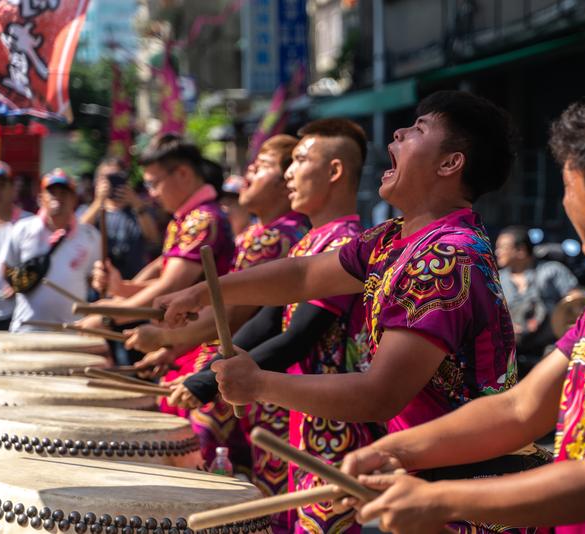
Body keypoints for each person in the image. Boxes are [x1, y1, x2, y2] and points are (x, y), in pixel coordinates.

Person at [325, 99, 585, 534]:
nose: (566, 206)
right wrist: (397, 451)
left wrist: (438, 499)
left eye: (569, 189)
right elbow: (521, 407)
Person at [157, 91, 531, 533]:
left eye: (419, 130)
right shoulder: (394, 238)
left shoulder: (444, 256)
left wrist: (258, 383)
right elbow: (302, 277)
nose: (398, 132)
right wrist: (204, 291)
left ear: (450, 164)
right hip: (418, 479)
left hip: (462, 494)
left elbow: (380, 393)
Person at [156, 120, 372, 532]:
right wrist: (206, 373)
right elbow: (266, 320)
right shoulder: (310, 241)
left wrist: (206, 383)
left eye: (302, 161)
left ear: (335, 171)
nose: (290, 172)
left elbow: (297, 337)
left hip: (334, 423)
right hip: (296, 416)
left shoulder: (347, 244)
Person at [123, 134, 310, 490]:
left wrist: (167, 339)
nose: (250, 171)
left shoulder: (272, 236)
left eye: (263, 165)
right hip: (254, 374)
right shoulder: (263, 232)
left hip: (250, 378)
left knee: (215, 483)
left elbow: (238, 315)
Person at [78, 134, 234, 338]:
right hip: (186, 337)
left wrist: (110, 316)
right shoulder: (185, 218)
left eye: (153, 184)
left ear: (183, 173)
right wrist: (121, 290)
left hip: (203, 341)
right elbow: (167, 282)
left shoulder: (202, 220)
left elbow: (172, 286)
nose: (151, 193)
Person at [5, 169, 101, 332]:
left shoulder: (90, 235)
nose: (58, 197)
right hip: (27, 330)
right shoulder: (22, 229)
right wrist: (18, 284)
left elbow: (94, 278)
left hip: (72, 331)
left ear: (73, 199)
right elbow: (7, 268)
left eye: (64, 192)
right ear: (41, 198)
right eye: (52, 192)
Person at [495, 226, 578, 372]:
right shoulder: (497, 280)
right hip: (509, 356)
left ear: (521, 251)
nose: (497, 252)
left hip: (550, 352)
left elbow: (576, 304)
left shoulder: (552, 271)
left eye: (503, 247)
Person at [79, 157, 160, 280]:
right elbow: (77, 235)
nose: (111, 182)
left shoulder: (139, 210)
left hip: (133, 283)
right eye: (106, 178)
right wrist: (98, 202)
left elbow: (154, 239)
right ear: (97, 182)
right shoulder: (90, 210)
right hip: (98, 286)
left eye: (116, 177)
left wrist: (136, 203)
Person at [0, 160, 33, 330]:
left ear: (12, 188)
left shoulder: (29, 223)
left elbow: (38, 263)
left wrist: (19, 285)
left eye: (2, 184)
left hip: (19, 311)